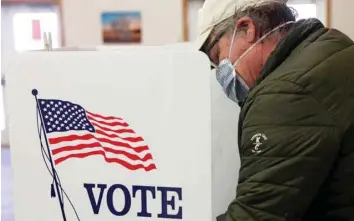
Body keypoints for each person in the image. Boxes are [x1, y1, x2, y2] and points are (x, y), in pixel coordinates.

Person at [195, 0, 354, 220]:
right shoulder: (331, 45)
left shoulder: (284, 94)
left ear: (247, 28)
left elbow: (255, 214)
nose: (220, 72)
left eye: (218, 57)